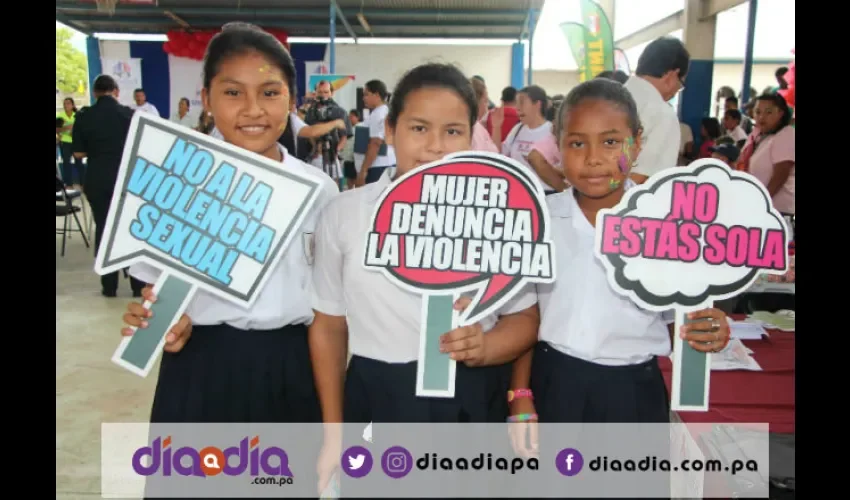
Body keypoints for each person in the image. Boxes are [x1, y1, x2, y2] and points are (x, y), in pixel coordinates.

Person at [309, 62, 540, 494]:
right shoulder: (345, 213)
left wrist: (487, 347)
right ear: (391, 129)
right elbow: (328, 325)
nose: (436, 146)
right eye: (419, 128)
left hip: (471, 399)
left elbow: (524, 318)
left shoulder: (499, 216)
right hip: (379, 394)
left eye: (453, 131)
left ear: (472, 136)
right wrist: (333, 433)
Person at [119, 23, 337, 431]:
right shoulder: (176, 179)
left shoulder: (320, 191)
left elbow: (329, 311)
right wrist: (162, 319)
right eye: (233, 92)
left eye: (270, 93)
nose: (253, 109)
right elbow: (157, 294)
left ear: (292, 99)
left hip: (291, 367)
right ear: (206, 98)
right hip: (201, 367)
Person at [507, 77, 730, 431]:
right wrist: (519, 392)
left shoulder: (666, 224)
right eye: (577, 143)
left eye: (611, 142)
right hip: (554, 382)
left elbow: (682, 317)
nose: (594, 159)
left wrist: (707, 328)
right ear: (558, 147)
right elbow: (523, 314)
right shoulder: (539, 221)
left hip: (634, 391)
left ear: (637, 143)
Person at [72, 75, 146, 298]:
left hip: (97, 180)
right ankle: (137, 285)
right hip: (127, 180)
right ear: (116, 91)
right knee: (129, 230)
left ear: (95, 93)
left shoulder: (84, 116)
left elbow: (78, 153)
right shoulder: (129, 114)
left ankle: (109, 286)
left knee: (104, 230)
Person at [624, 36, 690, 184]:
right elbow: (640, 178)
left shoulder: (608, 98)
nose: (675, 91)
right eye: (680, 84)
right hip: (631, 204)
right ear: (672, 75)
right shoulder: (663, 114)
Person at [739, 93, 795, 216]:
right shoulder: (757, 134)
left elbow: (782, 173)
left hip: (775, 210)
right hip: (755, 205)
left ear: (780, 113)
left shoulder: (786, 133)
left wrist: (764, 201)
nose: (761, 117)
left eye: (768, 112)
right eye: (757, 112)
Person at [498, 85, 558, 193]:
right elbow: (500, 154)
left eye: (522, 102)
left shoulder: (552, 131)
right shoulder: (517, 129)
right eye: (516, 103)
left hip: (545, 193)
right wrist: (496, 128)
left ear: (537, 105)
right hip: (519, 191)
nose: (518, 108)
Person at [355, 79, 396, 186]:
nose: (363, 98)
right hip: (381, 165)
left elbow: (376, 143)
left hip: (377, 167)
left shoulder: (379, 114)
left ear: (376, 95)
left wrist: (363, 171)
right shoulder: (381, 112)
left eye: (366, 94)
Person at [57, 97, 84, 187]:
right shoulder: (60, 116)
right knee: (66, 163)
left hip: (76, 142)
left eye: (68, 103)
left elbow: (81, 128)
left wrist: (74, 131)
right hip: (65, 142)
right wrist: (67, 128)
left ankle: (83, 183)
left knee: (79, 163)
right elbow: (57, 129)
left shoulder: (77, 115)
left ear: (72, 105)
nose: (66, 105)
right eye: (65, 104)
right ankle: (69, 184)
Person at [469, 77, 499, 153]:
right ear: (476, 102)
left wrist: (496, 127)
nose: (488, 105)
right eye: (485, 101)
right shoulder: (474, 130)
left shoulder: (478, 127)